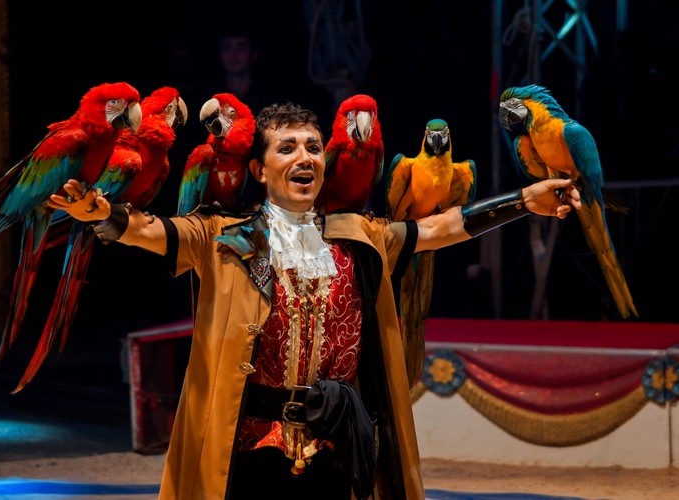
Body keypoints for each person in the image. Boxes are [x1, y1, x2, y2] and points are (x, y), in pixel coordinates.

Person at [49, 102, 580, 499]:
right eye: (287, 148)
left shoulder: (358, 235)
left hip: (336, 443)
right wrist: (103, 215)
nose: (304, 156)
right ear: (259, 171)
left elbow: (440, 228)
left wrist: (523, 201)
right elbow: (151, 231)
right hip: (248, 445)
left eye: (312, 147)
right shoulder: (223, 235)